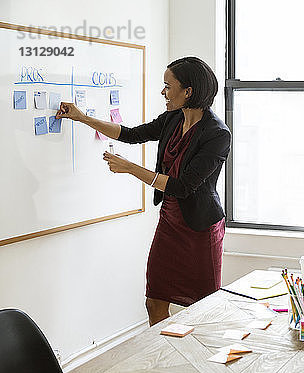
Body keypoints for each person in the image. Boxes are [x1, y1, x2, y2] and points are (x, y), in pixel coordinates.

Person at [56, 57, 231, 326]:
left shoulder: (217, 134)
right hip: (170, 222)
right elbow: (131, 134)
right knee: (154, 301)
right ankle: (163, 359)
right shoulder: (173, 118)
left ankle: (200, 364)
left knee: (204, 308)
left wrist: (131, 169)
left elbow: (182, 186)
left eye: (167, 86)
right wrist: (81, 118)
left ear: (188, 92)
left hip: (199, 227)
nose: (163, 92)